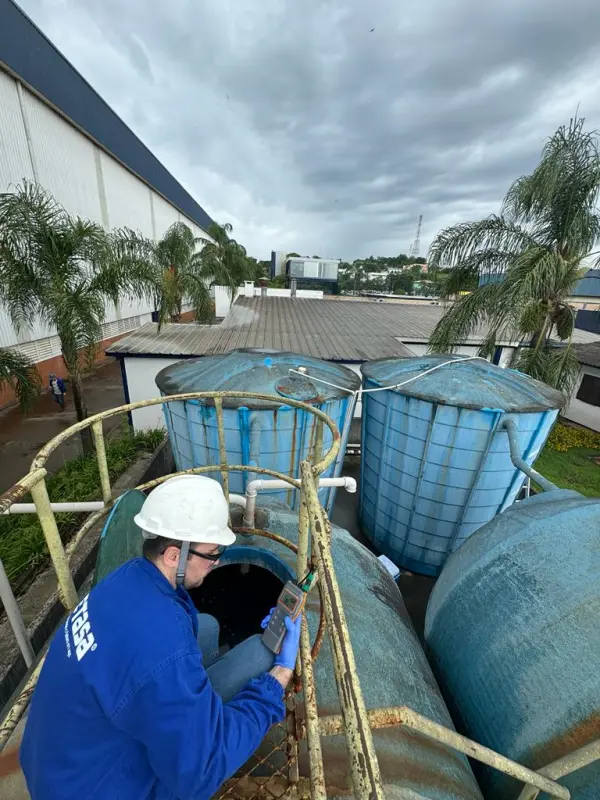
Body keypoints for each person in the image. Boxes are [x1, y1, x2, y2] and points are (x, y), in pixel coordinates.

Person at [20, 474, 301, 800]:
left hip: (57, 763)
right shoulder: (162, 654)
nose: (217, 562)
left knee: (205, 625)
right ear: (173, 555)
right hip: (95, 787)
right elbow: (201, 772)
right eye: (212, 554)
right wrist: (276, 680)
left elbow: (160, 651)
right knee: (258, 654)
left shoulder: (125, 578)